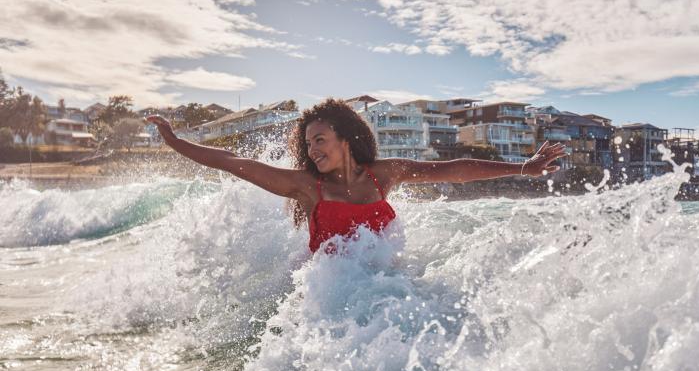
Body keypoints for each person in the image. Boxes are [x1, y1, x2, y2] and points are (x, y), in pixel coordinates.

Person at [146, 98, 566, 253]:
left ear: (346, 139)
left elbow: (454, 170)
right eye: (309, 143)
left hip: (382, 284)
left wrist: (524, 168)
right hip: (329, 294)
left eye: (321, 139)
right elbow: (231, 162)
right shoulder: (306, 186)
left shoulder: (383, 175)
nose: (313, 150)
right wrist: (174, 140)